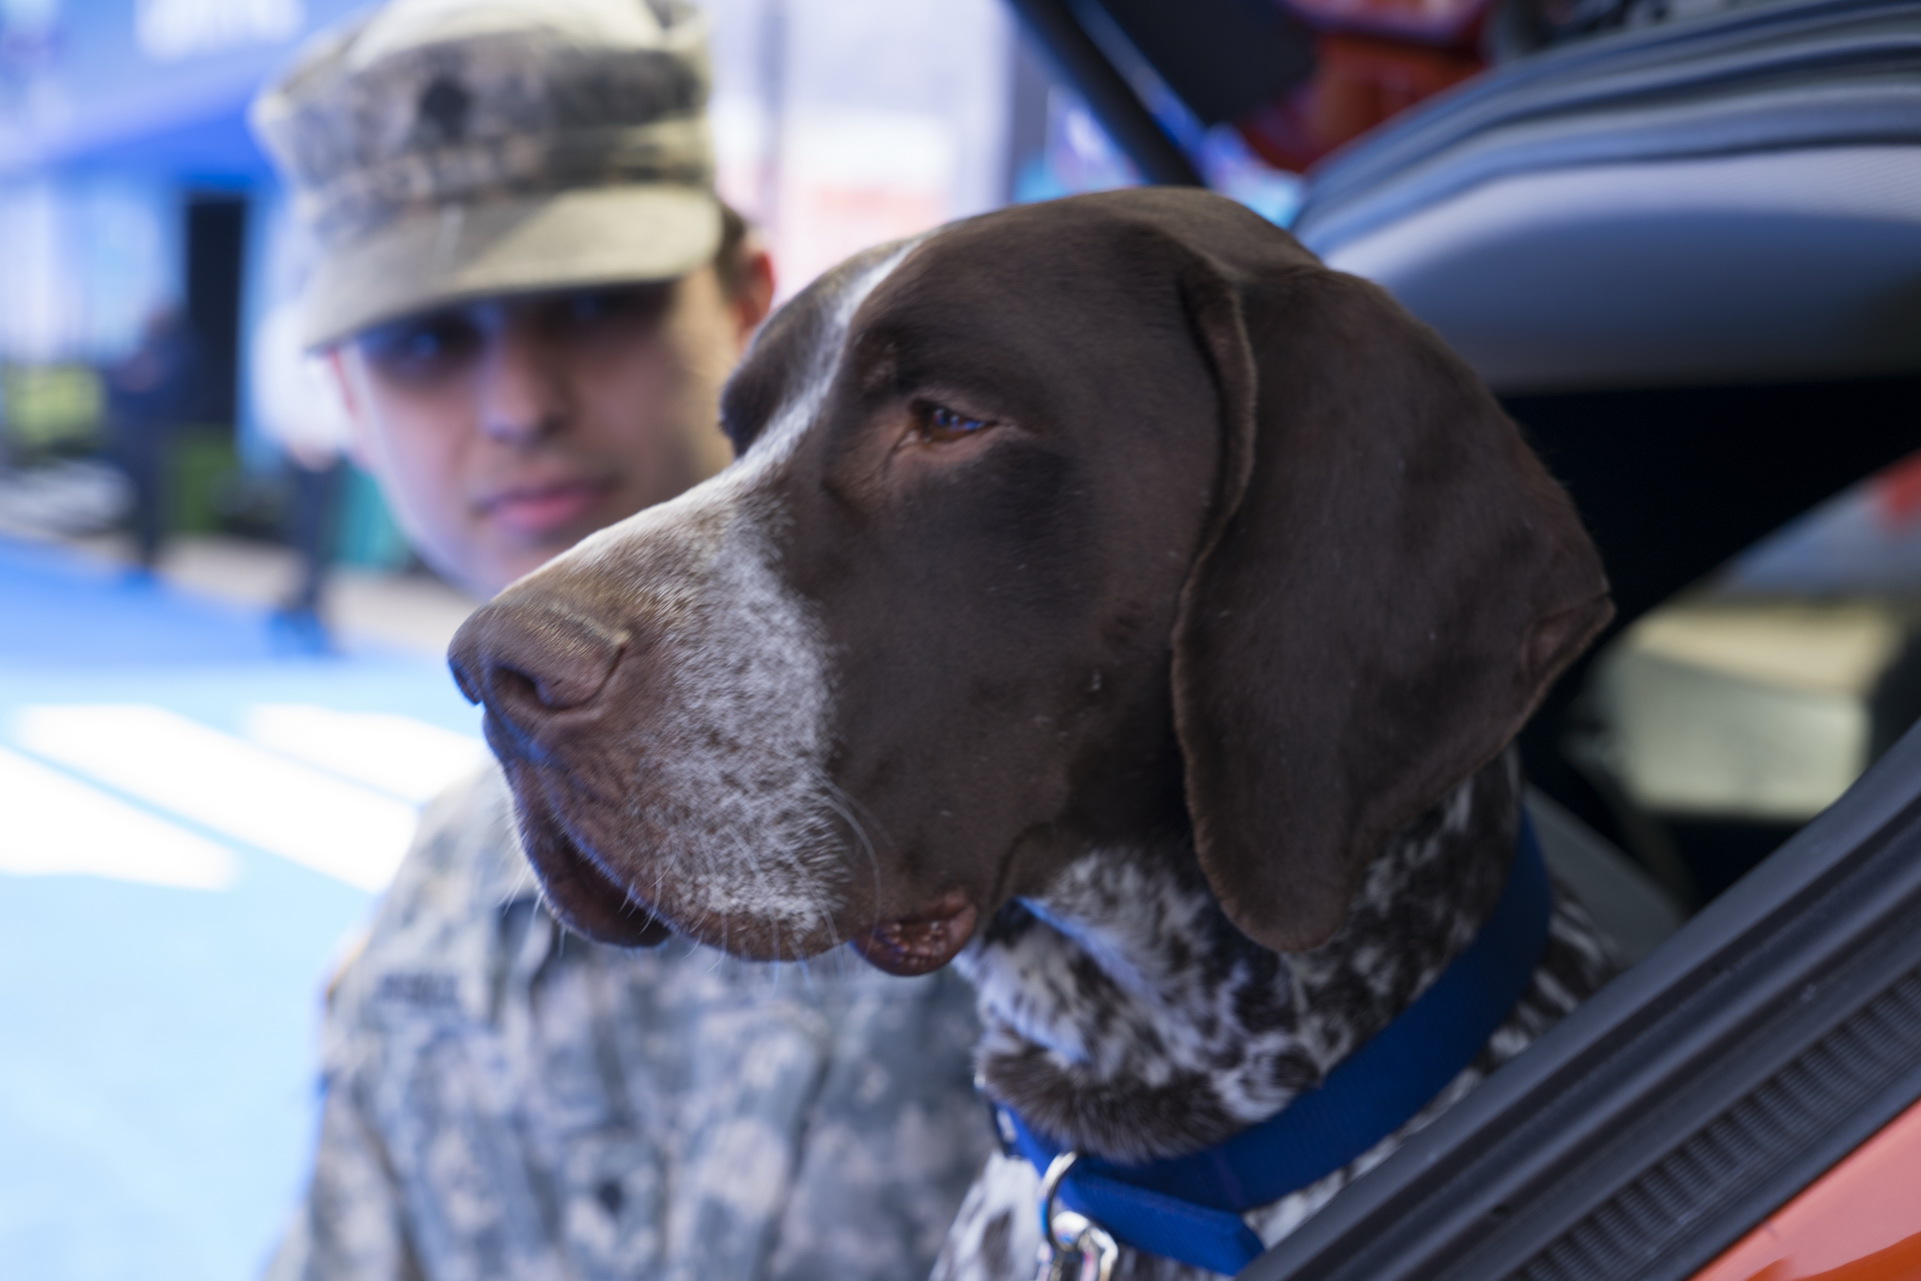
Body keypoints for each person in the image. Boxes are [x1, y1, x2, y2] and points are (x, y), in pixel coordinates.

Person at [249, 3, 991, 1278]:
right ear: (349, 408)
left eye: (591, 304)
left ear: (751, 303)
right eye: (424, 341)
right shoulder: (429, 908)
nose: (520, 404)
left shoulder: (1010, 790)